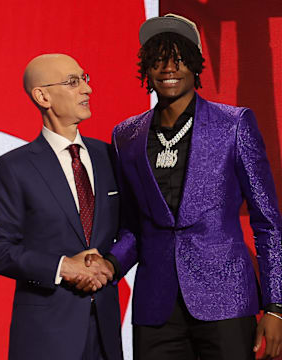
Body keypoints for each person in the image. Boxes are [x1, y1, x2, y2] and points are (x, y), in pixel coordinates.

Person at [85, 14, 282, 360]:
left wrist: (276, 305)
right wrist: (110, 265)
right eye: (157, 59)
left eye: (178, 58)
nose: (168, 68)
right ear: (146, 68)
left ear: (196, 64)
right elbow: (134, 227)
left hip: (226, 302)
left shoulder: (234, 125)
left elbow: (268, 223)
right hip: (155, 308)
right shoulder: (126, 136)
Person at [0, 54, 123, 360]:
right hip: (45, 336)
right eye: (73, 82)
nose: (87, 89)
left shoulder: (110, 157)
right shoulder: (14, 167)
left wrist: (110, 264)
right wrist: (63, 267)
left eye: (85, 79)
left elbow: (132, 229)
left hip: (106, 331)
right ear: (42, 96)